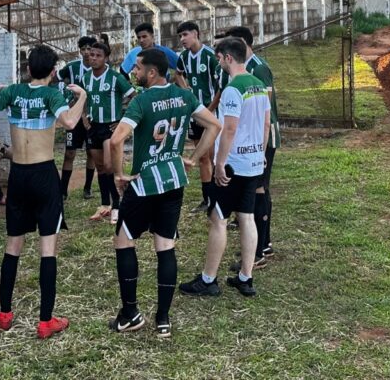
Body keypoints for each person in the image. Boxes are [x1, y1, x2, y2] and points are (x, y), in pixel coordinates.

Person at [0, 45, 87, 340]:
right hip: (43, 174)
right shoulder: (52, 94)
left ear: (27, 69)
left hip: (19, 176)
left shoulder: (11, 92)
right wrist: (82, 98)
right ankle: (45, 321)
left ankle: (5, 314)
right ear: (52, 72)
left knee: (13, 245)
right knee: (47, 248)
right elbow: (70, 122)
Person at [107, 48, 221, 337]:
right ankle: (163, 319)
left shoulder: (142, 101)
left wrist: (120, 174)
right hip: (173, 182)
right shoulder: (184, 96)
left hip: (144, 183)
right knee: (165, 247)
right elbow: (214, 125)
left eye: (137, 68)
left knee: (124, 241)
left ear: (152, 72)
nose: (134, 73)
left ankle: (130, 313)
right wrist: (194, 159)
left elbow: (116, 139)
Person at [180, 37, 270, 298]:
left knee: (218, 219)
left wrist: (220, 163)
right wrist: (261, 153)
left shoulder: (233, 89)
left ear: (228, 58)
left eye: (219, 58)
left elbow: (229, 128)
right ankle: (246, 276)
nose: (218, 63)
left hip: (234, 165)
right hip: (253, 162)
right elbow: (265, 125)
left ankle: (208, 280)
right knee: (246, 217)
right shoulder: (258, 85)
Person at [222, 26, 280, 265]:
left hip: (260, 138)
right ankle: (256, 246)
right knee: (253, 189)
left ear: (242, 45)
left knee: (260, 189)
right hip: (251, 139)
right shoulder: (241, 70)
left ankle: (262, 248)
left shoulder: (259, 68)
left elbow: (265, 111)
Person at [174, 20, 226, 213]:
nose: (182, 39)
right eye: (180, 36)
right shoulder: (184, 57)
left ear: (196, 34)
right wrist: (186, 90)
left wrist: (210, 110)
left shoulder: (210, 57)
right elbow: (177, 74)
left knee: (211, 157)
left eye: (185, 35)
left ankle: (217, 198)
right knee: (203, 156)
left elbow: (221, 87)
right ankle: (208, 199)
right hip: (194, 114)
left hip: (210, 113)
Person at [83, 41, 134, 224]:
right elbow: (83, 98)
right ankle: (105, 204)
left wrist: (122, 120)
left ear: (106, 58)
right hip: (94, 126)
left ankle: (118, 205)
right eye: (92, 55)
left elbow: (133, 97)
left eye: (98, 55)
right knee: (100, 167)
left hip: (110, 126)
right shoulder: (86, 77)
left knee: (109, 165)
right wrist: (84, 116)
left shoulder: (115, 77)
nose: (94, 58)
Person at [58, 36, 97, 200]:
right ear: (80, 51)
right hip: (74, 117)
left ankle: (87, 188)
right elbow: (59, 81)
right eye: (84, 49)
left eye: (90, 49)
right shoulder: (71, 68)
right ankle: (63, 191)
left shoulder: (101, 68)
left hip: (92, 117)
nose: (87, 53)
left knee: (91, 152)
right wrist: (67, 99)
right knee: (69, 153)